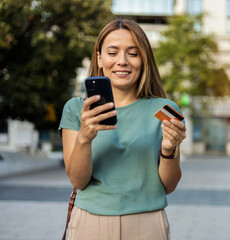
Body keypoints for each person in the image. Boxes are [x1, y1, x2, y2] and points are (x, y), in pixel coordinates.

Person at [59, 18, 186, 240]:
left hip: (148, 225)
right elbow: (78, 181)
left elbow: (169, 185)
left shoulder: (165, 109)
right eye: (112, 52)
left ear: (144, 60)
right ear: (99, 58)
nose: (122, 61)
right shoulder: (76, 109)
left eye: (133, 53)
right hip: (90, 223)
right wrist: (84, 139)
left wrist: (169, 149)